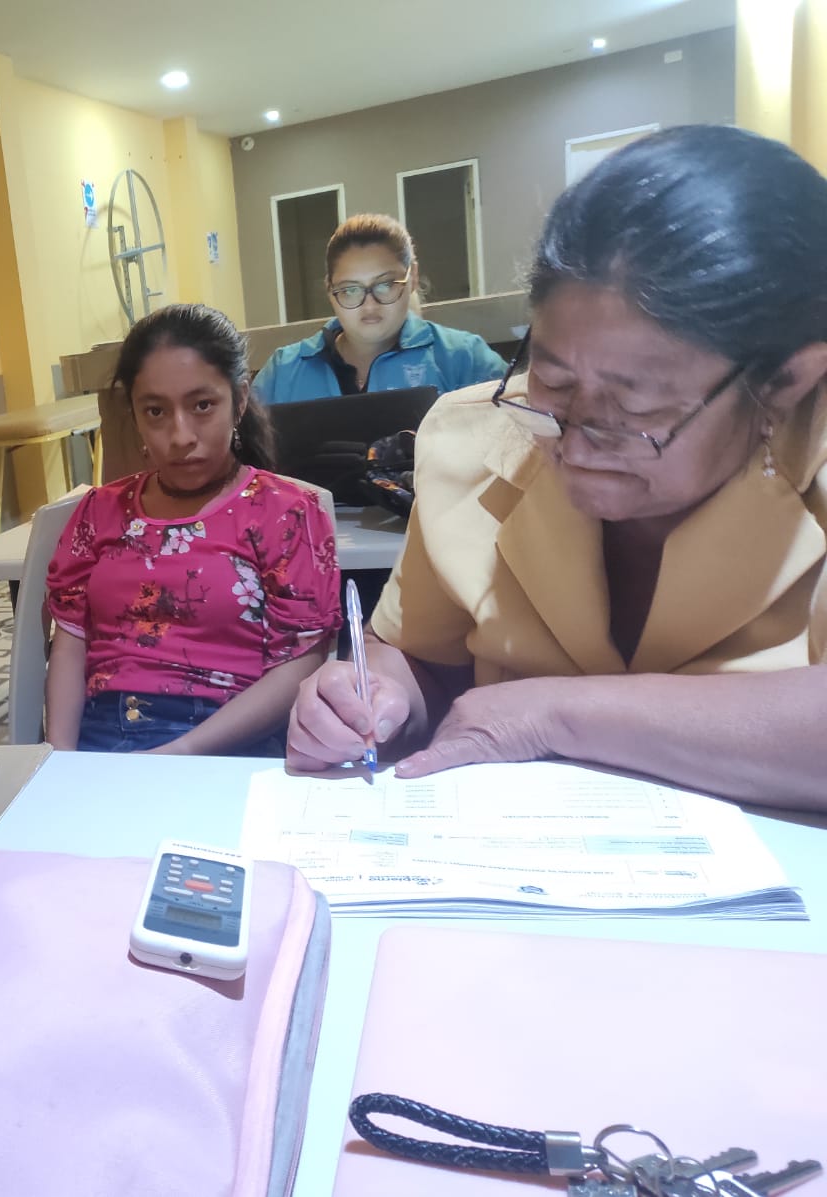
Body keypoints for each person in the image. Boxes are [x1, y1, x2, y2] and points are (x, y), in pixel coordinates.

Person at [284, 125, 827, 811]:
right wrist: (370, 697)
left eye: (634, 410)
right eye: (554, 382)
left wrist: (554, 714)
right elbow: (419, 658)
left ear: (786, 382)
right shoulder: (471, 441)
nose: (576, 444)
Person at [45, 304, 342, 755]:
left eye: (202, 406)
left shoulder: (286, 513)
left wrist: (180, 753)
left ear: (239, 400)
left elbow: (301, 662)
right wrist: (61, 762)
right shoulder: (99, 511)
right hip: (103, 741)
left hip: (231, 744)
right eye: (155, 411)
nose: (180, 435)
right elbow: (70, 644)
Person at [251, 214, 507, 405]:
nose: (370, 305)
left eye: (385, 285)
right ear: (330, 289)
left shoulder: (464, 360)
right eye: (350, 290)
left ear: (412, 278)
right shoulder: (283, 373)